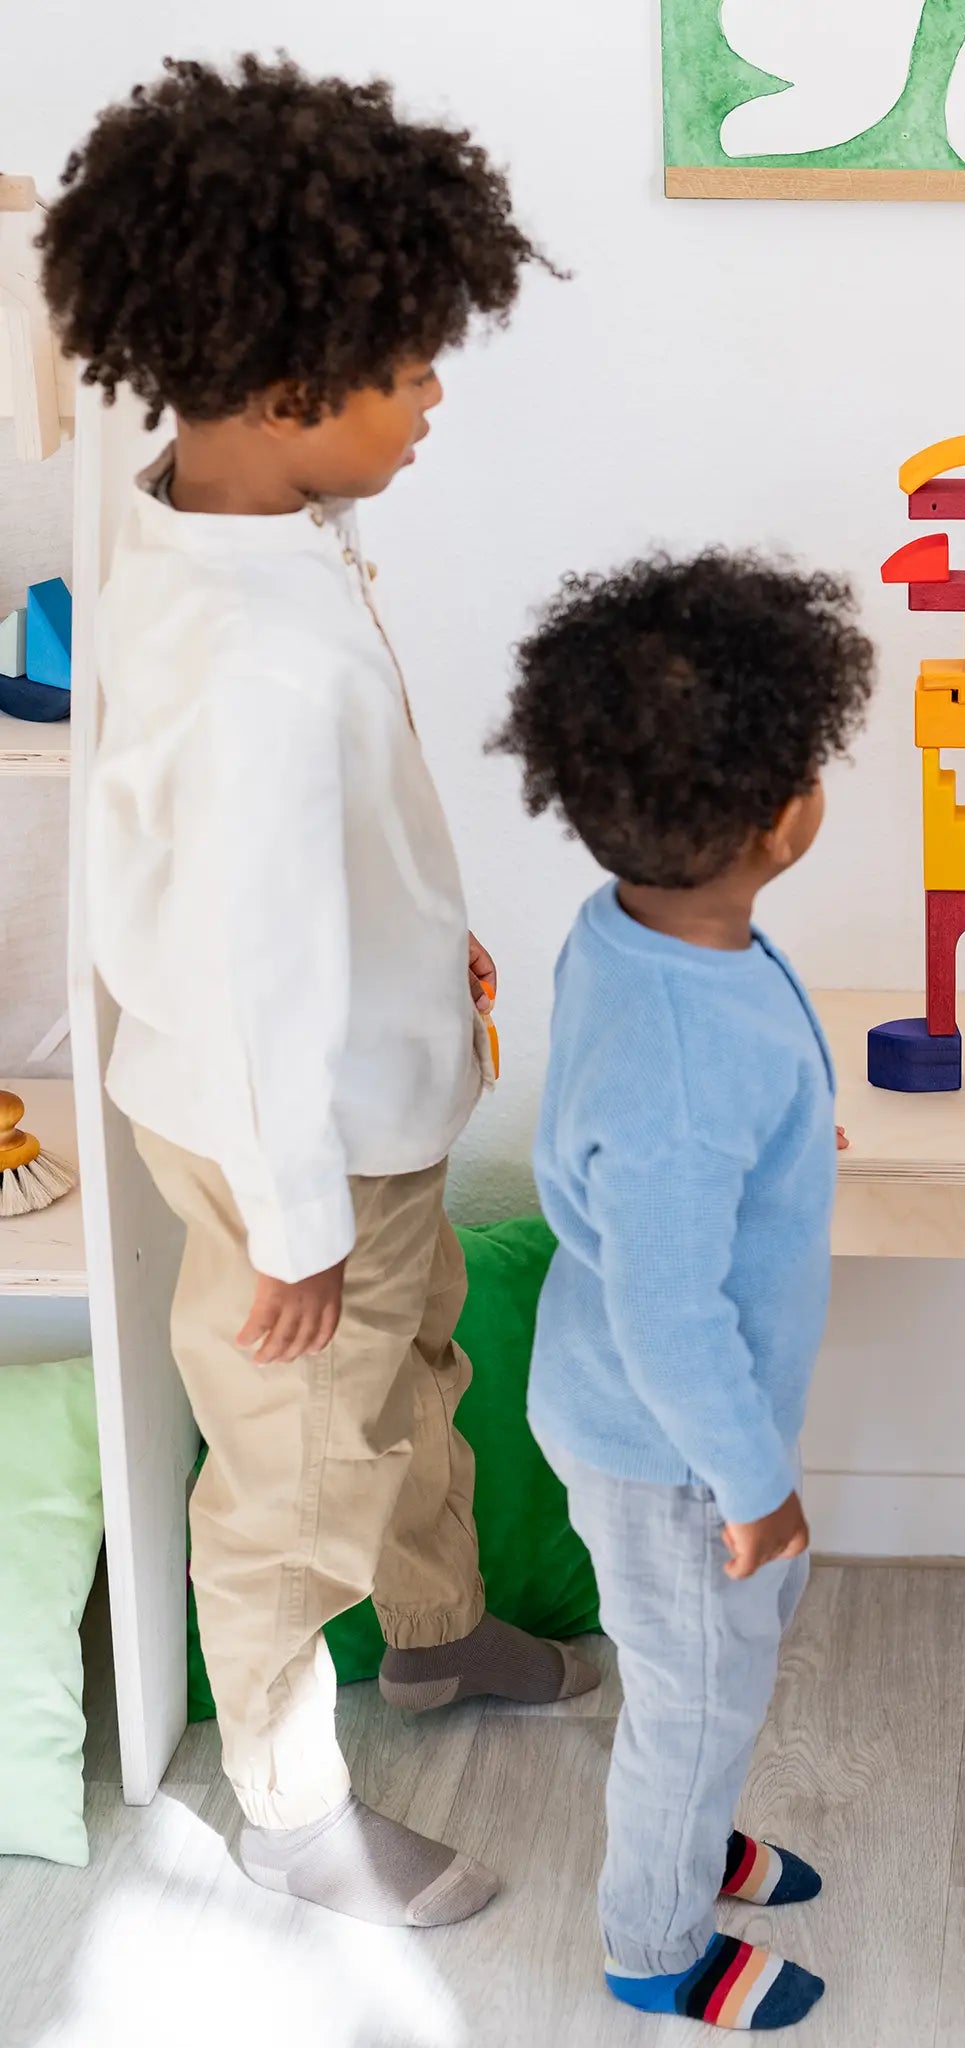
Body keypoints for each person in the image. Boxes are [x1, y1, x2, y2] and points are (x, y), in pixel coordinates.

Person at [42, 55, 592, 1930]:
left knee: (415, 1380)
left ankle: (433, 1633)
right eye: (409, 369)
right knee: (293, 1473)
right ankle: (290, 1807)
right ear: (288, 394)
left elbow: (293, 880)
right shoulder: (253, 664)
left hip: (364, 1108)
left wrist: (426, 939)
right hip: (299, 1151)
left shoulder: (214, 524)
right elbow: (244, 968)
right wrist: (287, 1233)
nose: (435, 397)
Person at [491, 551, 872, 2031]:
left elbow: (673, 1133)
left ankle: (692, 1843)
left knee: (712, 1667)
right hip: (674, 1451)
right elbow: (667, 1309)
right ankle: (655, 1941)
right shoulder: (683, 1059)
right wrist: (754, 1486)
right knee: (698, 1692)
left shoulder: (638, 929)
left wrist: (779, 1139)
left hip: (651, 1413)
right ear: (782, 820)